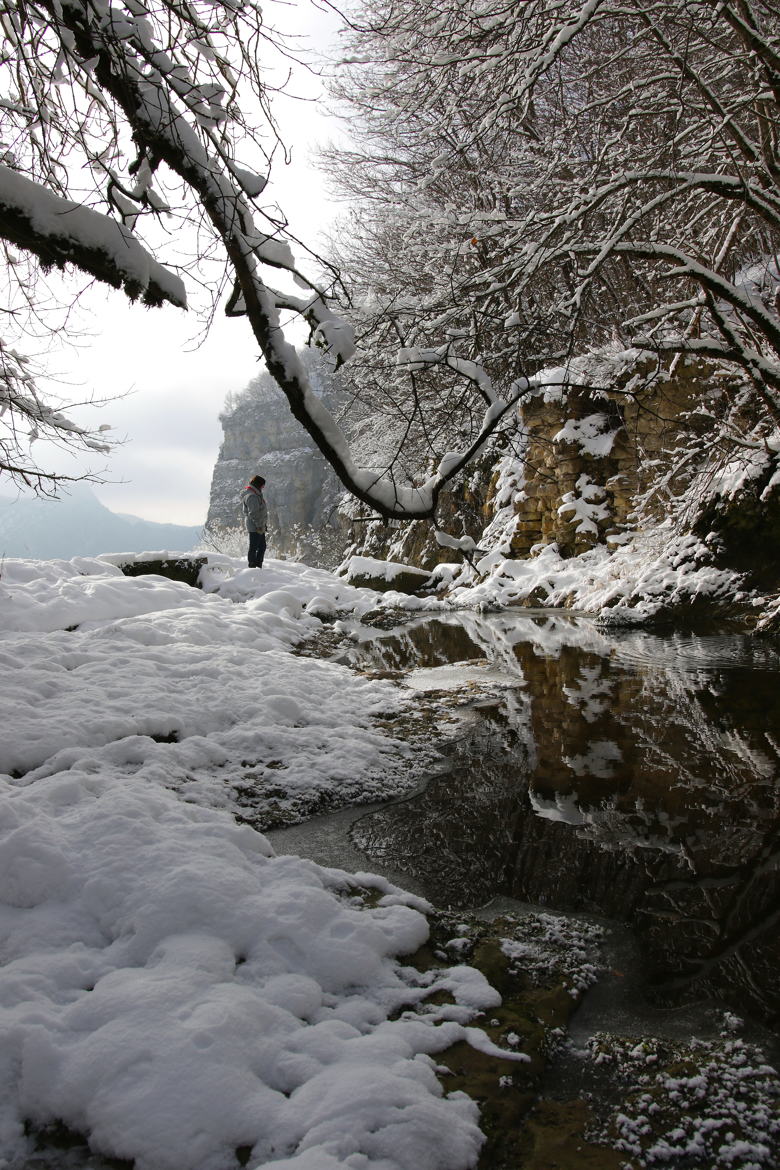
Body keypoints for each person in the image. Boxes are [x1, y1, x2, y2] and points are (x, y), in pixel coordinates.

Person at [241, 474, 267, 568]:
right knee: (254, 547)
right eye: (262, 485)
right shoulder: (252, 496)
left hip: (259, 525)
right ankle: (252, 566)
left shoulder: (256, 494)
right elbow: (254, 513)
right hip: (255, 526)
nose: (263, 487)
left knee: (262, 546)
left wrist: (263, 525)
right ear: (258, 484)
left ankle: (258, 565)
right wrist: (259, 526)